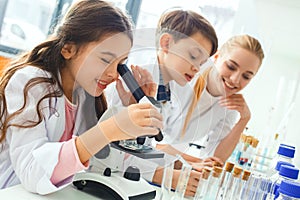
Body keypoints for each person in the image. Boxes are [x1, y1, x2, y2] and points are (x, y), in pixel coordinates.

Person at [0, 0, 162, 195]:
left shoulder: (86, 96)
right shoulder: (30, 82)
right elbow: (33, 172)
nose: (113, 73)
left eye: (120, 64)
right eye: (105, 59)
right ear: (68, 48)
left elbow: (102, 166)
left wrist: (131, 114)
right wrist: (109, 129)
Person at [106, 8, 219, 197]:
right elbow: (115, 151)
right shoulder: (135, 82)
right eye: (193, 56)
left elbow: (149, 146)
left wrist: (182, 166)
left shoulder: (167, 90)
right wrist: (167, 176)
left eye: (201, 63)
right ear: (166, 43)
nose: (196, 68)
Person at [157, 34, 265, 164]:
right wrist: (197, 162)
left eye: (246, 76)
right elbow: (152, 143)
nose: (235, 79)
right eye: (231, 67)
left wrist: (244, 119)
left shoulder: (230, 105)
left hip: (168, 167)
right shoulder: (187, 76)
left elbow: (216, 159)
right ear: (216, 57)